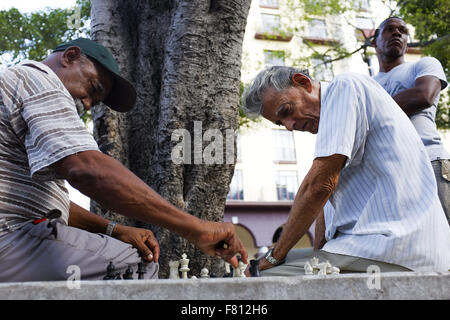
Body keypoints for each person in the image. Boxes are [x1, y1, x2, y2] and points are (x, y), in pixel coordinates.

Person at [0, 38, 247, 282]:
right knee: (139, 262)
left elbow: (56, 204)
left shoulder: (15, 88)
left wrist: (113, 229)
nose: (86, 103)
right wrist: (196, 228)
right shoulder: (39, 80)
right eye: (93, 88)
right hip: (10, 238)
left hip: (14, 239)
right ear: (70, 57)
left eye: (93, 102)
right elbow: (87, 170)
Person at [242, 66, 450, 276]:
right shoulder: (331, 128)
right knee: (268, 266)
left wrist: (274, 256)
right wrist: (317, 254)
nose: (288, 126)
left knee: (259, 276)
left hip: (393, 245)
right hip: (377, 245)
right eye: (280, 123)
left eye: (286, 111)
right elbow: (323, 198)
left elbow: (319, 187)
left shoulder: (344, 87)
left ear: (303, 82)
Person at [372, 17, 450, 224]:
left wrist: (370, 110)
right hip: (391, 175)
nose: (397, 33)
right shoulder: (367, 84)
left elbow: (423, 95)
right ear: (374, 42)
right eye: (389, 29)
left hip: (430, 160)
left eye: (403, 30)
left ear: (407, 40)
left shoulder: (425, 64)